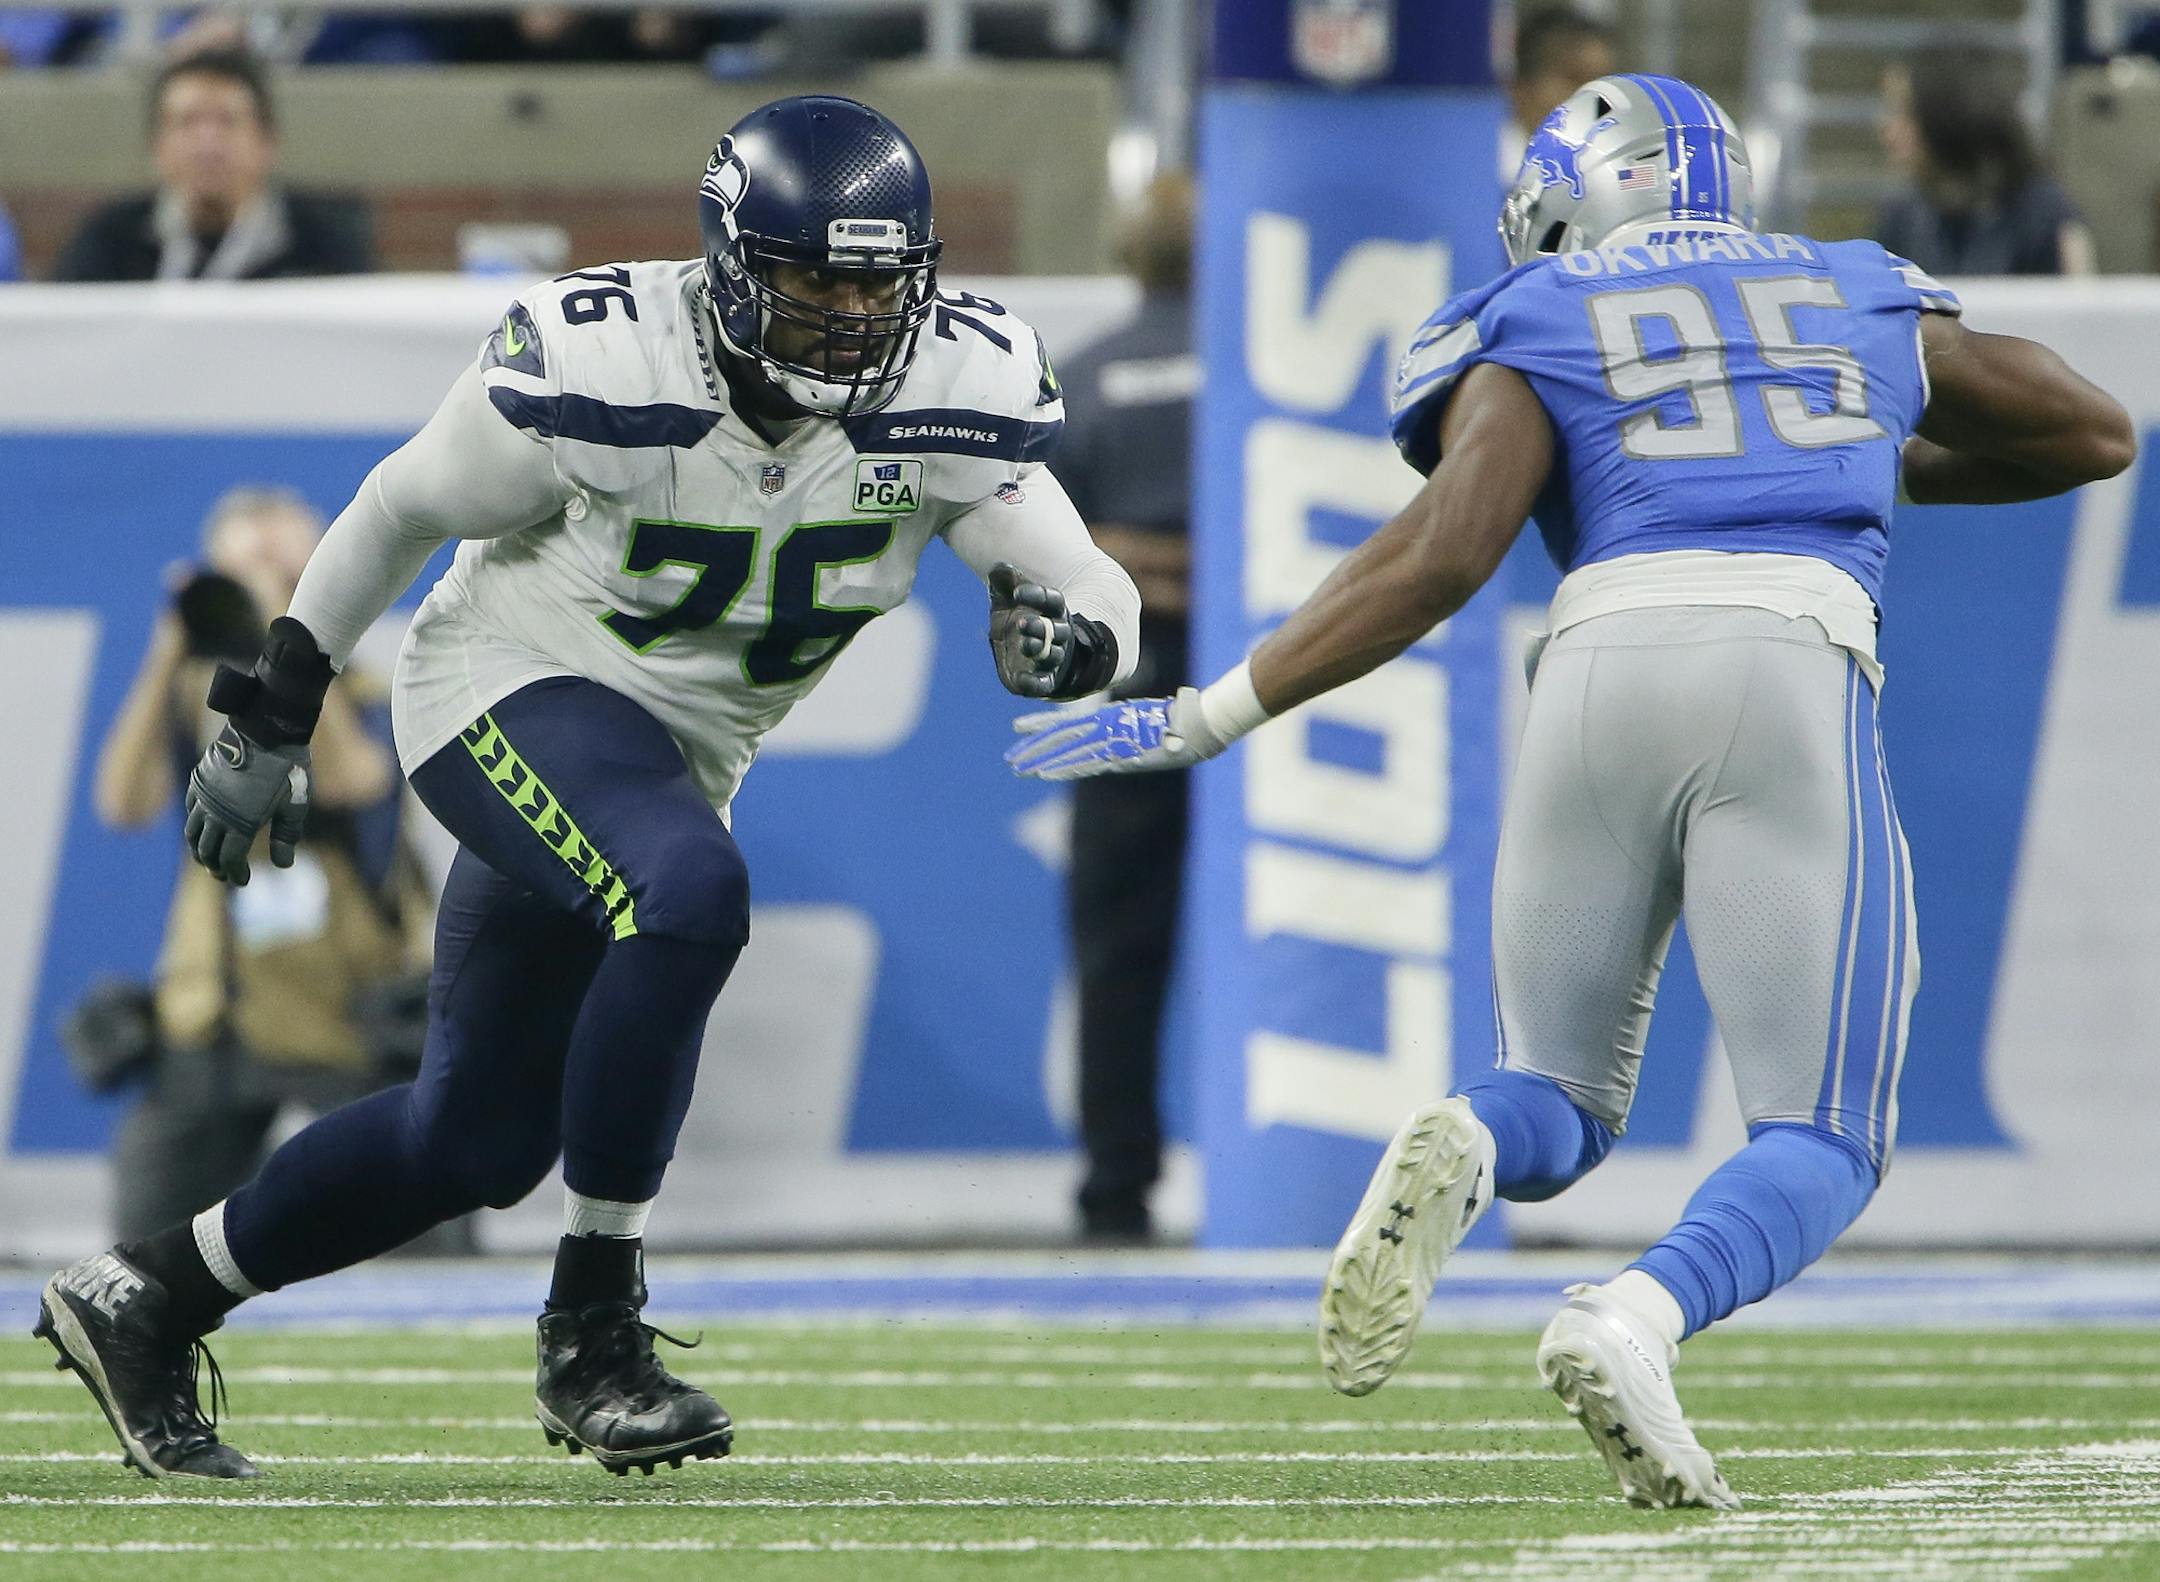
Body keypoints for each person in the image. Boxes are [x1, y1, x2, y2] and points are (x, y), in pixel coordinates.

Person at [1009, 74, 2133, 1508]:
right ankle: (1634, 1314)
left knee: (1552, 1090)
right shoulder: (1850, 285)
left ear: (1568, 198)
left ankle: (1466, 1139)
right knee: (1824, 1127)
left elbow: (1444, 552)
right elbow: (2092, 428)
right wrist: (1847, 454)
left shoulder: (1530, 313)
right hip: (1785, 655)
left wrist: (1214, 709)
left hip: (1594, 664)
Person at [35, 93, 1138, 1482]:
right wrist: (273, 708)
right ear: (734, 267)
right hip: (501, 685)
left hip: (666, 764)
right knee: (687, 895)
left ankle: (144, 1294)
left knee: (474, 1137)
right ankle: (594, 1327)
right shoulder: (609, 358)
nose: (850, 316)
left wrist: (1085, 638)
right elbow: (394, 511)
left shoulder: (948, 392)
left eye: (877, 281)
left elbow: (1083, 572)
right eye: (811, 279)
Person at [88, 488, 425, 1243]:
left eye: (287, 570)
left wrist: (295, 647)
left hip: (347, 1001)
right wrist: (167, 653)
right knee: (146, 1234)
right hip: (216, 998)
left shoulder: (364, 684)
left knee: (417, 1213)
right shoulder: (185, 698)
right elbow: (121, 805)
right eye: (244, 573)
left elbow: (355, 782)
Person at [1051, 170, 1197, 1242]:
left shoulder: (1087, 376)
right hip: (1280, 673)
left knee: (1119, 951)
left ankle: (1116, 1190)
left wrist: (1141, 563)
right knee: (1305, 926)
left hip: (1130, 678)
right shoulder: (1273, 376)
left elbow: (1046, 547)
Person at [51, 47, 374, 282]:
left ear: (267, 143)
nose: (208, 144)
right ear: (157, 147)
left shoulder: (323, 243)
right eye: (187, 122)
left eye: (227, 122)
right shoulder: (112, 238)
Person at [1876, 44, 2096, 276]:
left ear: (1947, 117)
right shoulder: (1902, 215)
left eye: (1904, 113)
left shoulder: (2045, 214)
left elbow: (2078, 302)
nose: (1887, 129)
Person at [1502, 7, 1618, 183]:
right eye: (1576, 80)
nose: (1598, 101)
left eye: (1603, 83)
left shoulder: (1613, 181)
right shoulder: (1478, 178)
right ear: (1522, 88)